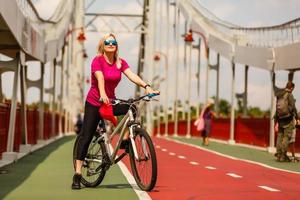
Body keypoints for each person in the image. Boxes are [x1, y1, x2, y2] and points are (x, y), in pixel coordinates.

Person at [72, 33, 159, 189]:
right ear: (103, 45)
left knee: (132, 106)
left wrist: (147, 87)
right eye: (108, 42)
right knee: (86, 136)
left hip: (110, 101)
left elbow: (132, 75)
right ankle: (78, 175)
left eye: (113, 42)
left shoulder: (120, 63)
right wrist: (103, 93)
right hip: (95, 102)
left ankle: (126, 139)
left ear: (116, 46)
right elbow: (100, 78)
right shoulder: (97, 61)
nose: (111, 44)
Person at [274, 81, 300, 162]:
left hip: (280, 118)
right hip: (288, 119)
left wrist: (276, 119)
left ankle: (278, 154)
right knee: (286, 137)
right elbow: (293, 107)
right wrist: (297, 118)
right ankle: (283, 155)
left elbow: (277, 107)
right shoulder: (289, 95)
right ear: (291, 87)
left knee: (279, 136)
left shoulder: (280, 94)